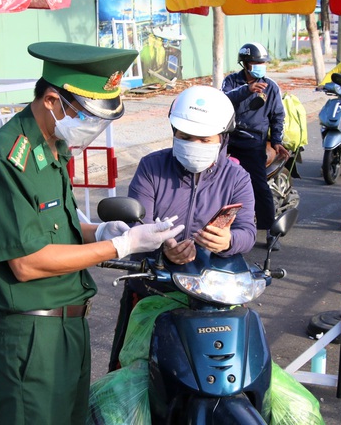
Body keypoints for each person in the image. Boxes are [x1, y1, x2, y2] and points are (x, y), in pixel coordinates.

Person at [0, 42, 185, 425]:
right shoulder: (7, 156)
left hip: (71, 325)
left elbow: (59, 227)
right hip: (33, 332)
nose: (95, 127)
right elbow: (26, 261)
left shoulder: (54, 147)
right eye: (89, 116)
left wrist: (100, 230)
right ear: (53, 99)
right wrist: (119, 245)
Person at [108, 85, 257, 371]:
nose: (194, 144)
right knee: (133, 372)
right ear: (173, 133)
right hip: (153, 285)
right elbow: (137, 222)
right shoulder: (151, 167)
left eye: (204, 139)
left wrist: (227, 241)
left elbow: (248, 232)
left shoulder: (237, 177)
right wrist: (164, 248)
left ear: (222, 139)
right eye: (185, 137)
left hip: (215, 295)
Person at [221, 42, 288, 249]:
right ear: (245, 64)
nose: (260, 66)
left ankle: (270, 229)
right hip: (228, 139)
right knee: (215, 180)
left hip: (253, 142)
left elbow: (278, 116)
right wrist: (246, 90)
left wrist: (276, 141)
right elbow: (222, 101)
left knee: (258, 186)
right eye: (255, 62)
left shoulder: (271, 87)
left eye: (263, 62)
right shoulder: (231, 82)